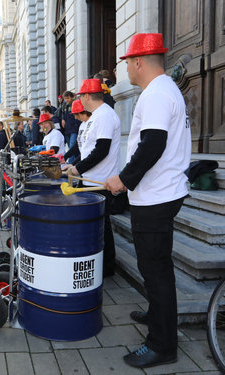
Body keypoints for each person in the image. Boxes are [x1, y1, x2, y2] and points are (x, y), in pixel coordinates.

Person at [104, 33, 191, 369]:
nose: (125, 69)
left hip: (156, 197)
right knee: (154, 266)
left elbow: (153, 144)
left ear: (139, 61)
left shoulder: (155, 93)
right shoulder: (165, 89)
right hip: (159, 193)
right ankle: (157, 313)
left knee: (155, 270)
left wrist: (124, 180)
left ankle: (162, 344)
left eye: (127, 62)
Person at [64, 78, 120, 279]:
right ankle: (101, 264)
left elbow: (102, 150)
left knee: (102, 227)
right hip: (91, 178)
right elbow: (87, 149)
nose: (80, 101)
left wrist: (78, 168)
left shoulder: (105, 115)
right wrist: (75, 165)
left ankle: (107, 268)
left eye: (80, 97)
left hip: (102, 180)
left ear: (87, 96)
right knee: (98, 226)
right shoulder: (97, 116)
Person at [62, 99, 92, 163]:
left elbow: (90, 151)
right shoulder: (82, 125)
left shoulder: (93, 123)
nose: (75, 117)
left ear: (83, 112)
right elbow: (77, 144)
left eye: (76, 114)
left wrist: (74, 165)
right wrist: (65, 157)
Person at [61, 91, 82, 162]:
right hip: (67, 129)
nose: (66, 100)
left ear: (72, 97)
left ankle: (70, 164)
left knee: (72, 147)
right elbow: (63, 113)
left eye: (68, 98)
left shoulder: (75, 104)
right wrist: (63, 119)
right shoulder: (64, 105)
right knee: (73, 149)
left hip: (74, 129)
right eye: (65, 98)